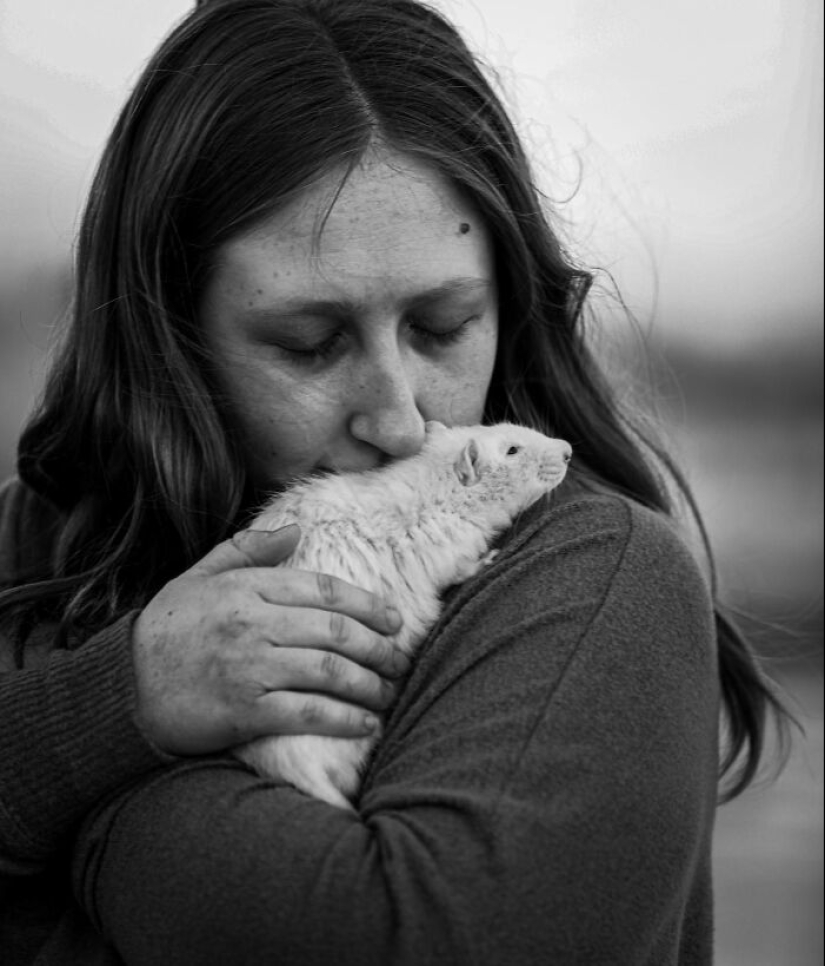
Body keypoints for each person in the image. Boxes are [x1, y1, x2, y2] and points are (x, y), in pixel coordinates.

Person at [0, 0, 793, 963]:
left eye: (443, 325)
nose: (400, 420)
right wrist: (127, 685)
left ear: (510, 297)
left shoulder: (586, 577)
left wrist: (84, 770)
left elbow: (416, 940)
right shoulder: (42, 540)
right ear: (170, 337)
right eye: (310, 342)